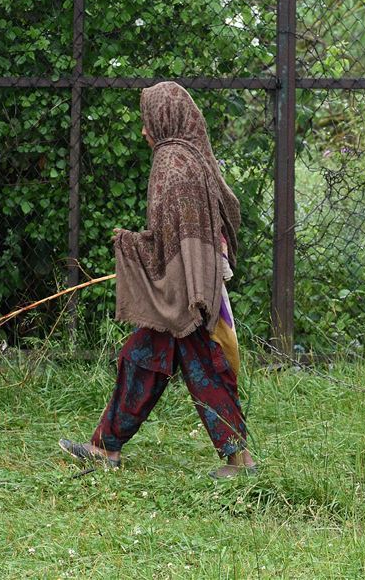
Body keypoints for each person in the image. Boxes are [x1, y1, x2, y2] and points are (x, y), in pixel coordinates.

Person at [59, 81, 255, 478]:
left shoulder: (171, 162)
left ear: (164, 118)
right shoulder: (192, 157)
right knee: (143, 360)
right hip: (191, 282)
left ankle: (240, 460)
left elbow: (174, 238)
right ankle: (106, 447)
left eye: (148, 121)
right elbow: (190, 229)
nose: (144, 131)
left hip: (185, 290)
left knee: (196, 369)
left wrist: (131, 246)